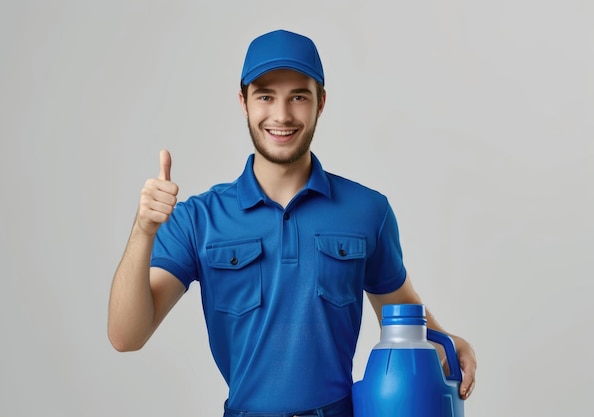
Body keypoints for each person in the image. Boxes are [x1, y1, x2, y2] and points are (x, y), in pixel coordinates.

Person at [108, 29, 477, 417]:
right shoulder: (199, 219)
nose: (281, 115)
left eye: (298, 96)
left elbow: (403, 317)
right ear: (244, 103)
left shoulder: (368, 211)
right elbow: (126, 336)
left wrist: (446, 339)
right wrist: (143, 231)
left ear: (321, 103)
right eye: (265, 96)